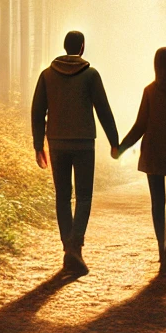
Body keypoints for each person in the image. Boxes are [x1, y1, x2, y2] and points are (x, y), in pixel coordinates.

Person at [30, 30, 119, 276]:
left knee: (62, 196)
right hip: (83, 143)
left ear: (65, 46)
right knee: (84, 196)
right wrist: (115, 142)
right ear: (81, 48)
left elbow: (37, 112)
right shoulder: (90, 75)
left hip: (57, 142)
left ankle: (67, 248)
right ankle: (75, 247)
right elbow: (103, 110)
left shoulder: (47, 75)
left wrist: (39, 145)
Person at [112, 47, 166, 273]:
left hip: (155, 153)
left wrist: (121, 148)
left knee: (157, 203)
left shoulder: (150, 91)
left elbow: (140, 125)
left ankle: (161, 250)